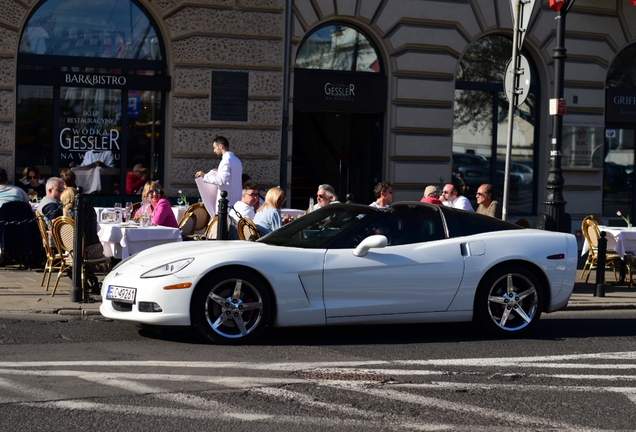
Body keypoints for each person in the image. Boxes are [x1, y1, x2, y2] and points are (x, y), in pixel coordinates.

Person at [195, 136, 243, 211]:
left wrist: (205, 176)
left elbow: (222, 180)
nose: (214, 150)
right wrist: (218, 172)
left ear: (221, 146)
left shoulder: (226, 161)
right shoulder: (236, 160)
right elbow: (231, 177)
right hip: (237, 201)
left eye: (215, 147)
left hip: (227, 203)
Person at [60, 187, 104, 260]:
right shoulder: (90, 208)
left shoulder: (70, 213)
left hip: (77, 252)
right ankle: (88, 269)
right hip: (96, 248)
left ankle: (74, 269)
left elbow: (69, 237)